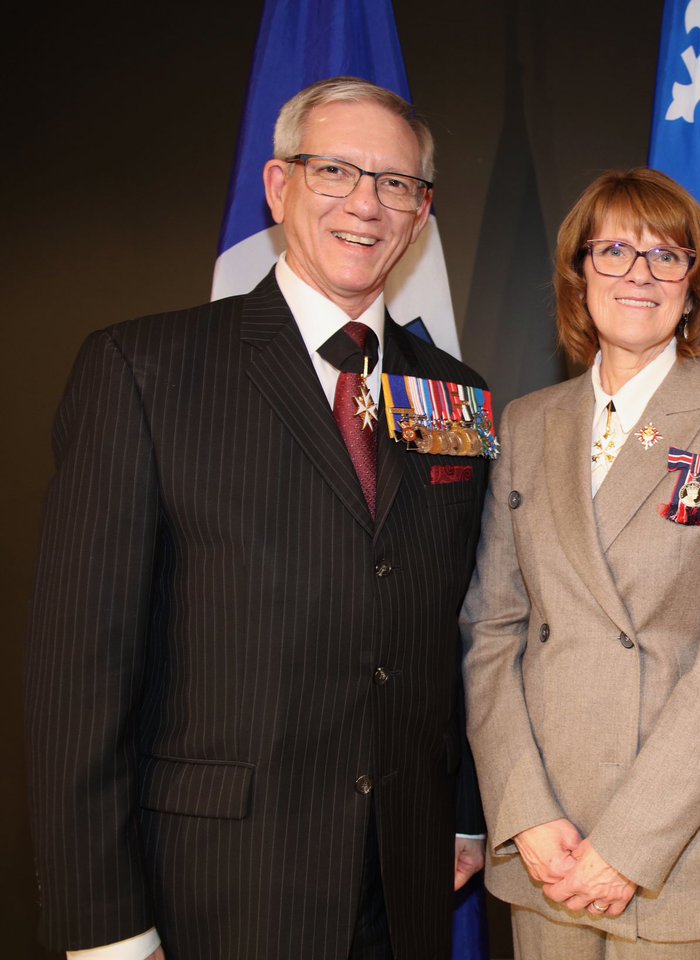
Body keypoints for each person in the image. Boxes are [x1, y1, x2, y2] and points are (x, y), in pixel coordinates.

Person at [25, 77, 487, 960]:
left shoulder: (455, 394)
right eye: (336, 170)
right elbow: (77, 674)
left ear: (422, 213)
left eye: (395, 183)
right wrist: (104, 924)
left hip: (406, 883)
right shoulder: (143, 368)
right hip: (216, 883)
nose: (366, 203)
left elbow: (456, 618)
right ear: (279, 186)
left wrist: (463, 814)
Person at [461, 168, 700, 958]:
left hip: (690, 845)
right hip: (549, 847)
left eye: (666, 255)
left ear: (694, 283)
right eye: (613, 251)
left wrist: (631, 845)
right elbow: (491, 630)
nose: (638, 275)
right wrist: (524, 812)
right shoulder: (528, 422)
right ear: (580, 276)